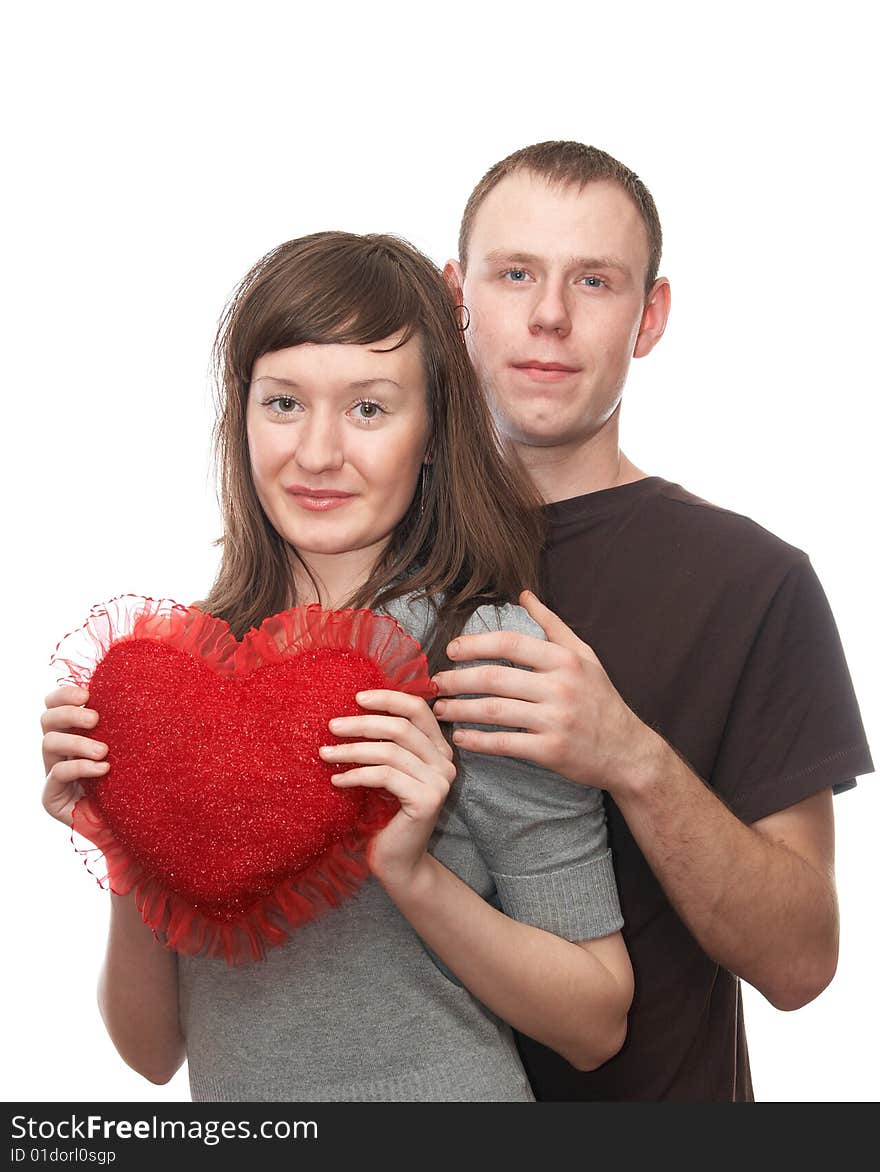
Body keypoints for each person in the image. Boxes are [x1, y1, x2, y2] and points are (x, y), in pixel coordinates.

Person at [39, 230, 633, 1102]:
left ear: (432, 433)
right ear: (240, 415)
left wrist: (414, 873)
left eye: (368, 409)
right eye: (283, 403)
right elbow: (152, 1053)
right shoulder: (172, 677)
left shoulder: (485, 653)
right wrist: (127, 837)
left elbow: (596, 1023)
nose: (317, 454)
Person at [435, 141, 874, 1101]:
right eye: (516, 274)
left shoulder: (753, 582)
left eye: (594, 280)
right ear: (454, 293)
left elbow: (801, 964)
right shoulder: (358, 552)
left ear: (650, 316)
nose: (549, 315)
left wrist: (626, 754)